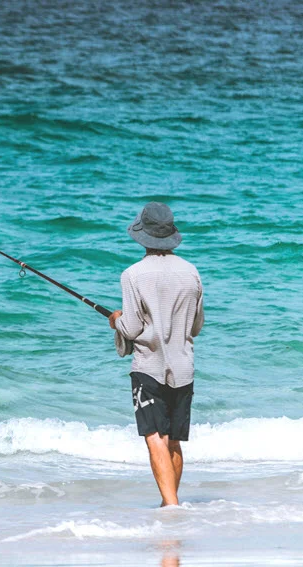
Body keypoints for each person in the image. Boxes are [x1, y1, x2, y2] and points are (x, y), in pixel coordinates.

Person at [109, 202, 204, 506]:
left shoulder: (133, 275)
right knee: (173, 440)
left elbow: (133, 328)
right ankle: (170, 503)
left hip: (148, 366)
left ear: (143, 235)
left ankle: (172, 506)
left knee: (154, 437)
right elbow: (197, 326)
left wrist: (115, 321)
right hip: (184, 366)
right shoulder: (191, 272)